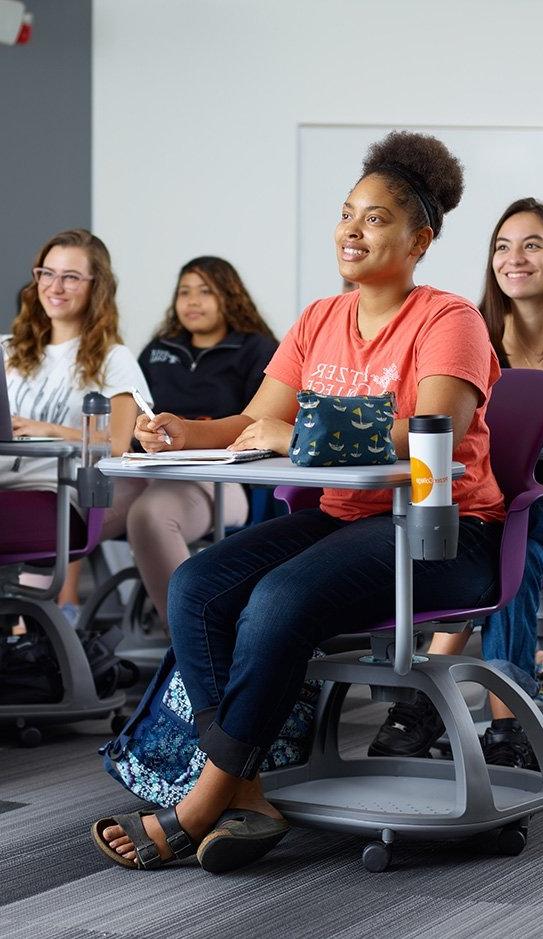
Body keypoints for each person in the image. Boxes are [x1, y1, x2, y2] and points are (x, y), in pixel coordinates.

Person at [92, 130, 507, 873]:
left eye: (375, 218)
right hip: (346, 517)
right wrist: (192, 428)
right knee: (196, 585)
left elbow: (431, 430)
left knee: (278, 598)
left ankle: (201, 801)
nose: (351, 228)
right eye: (347, 212)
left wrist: (304, 426)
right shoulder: (319, 318)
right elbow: (257, 419)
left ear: (420, 238)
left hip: (445, 534)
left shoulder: (451, 320)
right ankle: (247, 788)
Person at [368, 197, 543, 767]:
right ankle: (509, 728)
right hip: (522, 521)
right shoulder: (477, 328)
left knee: (504, 517)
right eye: (502, 246)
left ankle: (417, 703)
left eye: (531, 245)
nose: (514, 258)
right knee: (519, 551)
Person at [98, 256, 278, 628]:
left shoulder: (257, 350)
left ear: (230, 297)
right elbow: (131, 417)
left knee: (149, 515)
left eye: (205, 291)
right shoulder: (158, 349)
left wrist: (200, 431)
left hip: (222, 482)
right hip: (149, 469)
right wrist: (139, 431)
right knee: (80, 505)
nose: (192, 301)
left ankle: (192, 639)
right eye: (184, 292)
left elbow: (263, 424)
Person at [0, 229, 149, 619]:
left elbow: (118, 442)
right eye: (46, 274)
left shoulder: (114, 359)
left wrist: (45, 428)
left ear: (95, 287)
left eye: (70, 277)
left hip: (54, 493)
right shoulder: (6, 350)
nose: (55, 286)